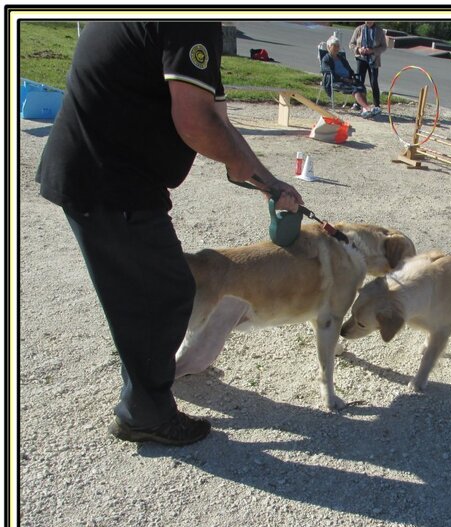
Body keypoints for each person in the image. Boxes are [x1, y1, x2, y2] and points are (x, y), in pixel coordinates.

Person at [36, 22, 303, 446]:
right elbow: (195, 122)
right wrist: (258, 178)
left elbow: (217, 117)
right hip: (109, 178)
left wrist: (267, 182)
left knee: (145, 290)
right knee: (161, 294)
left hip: (103, 171)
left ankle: (145, 387)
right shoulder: (189, 16)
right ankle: (145, 412)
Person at [321, 35, 374, 118]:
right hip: (336, 81)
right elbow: (328, 72)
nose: (336, 48)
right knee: (355, 90)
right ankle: (367, 108)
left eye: (338, 46)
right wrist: (343, 79)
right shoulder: (326, 59)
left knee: (361, 87)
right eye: (334, 46)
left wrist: (352, 78)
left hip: (347, 80)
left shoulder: (341, 58)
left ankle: (365, 110)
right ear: (328, 47)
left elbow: (350, 70)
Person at [349, 21, 387, 116]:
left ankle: (377, 104)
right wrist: (358, 49)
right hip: (361, 59)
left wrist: (372, 51)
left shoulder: (379, 31)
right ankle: (358, 103)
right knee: (359, 81)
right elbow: (351, 44)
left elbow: (384, 46)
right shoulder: (359, 29)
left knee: (374, 82)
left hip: (373, 60)